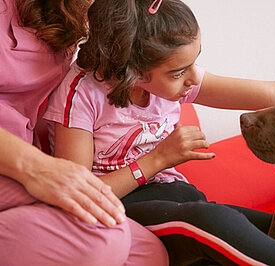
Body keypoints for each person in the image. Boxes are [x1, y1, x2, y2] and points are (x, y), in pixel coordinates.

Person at [43, 0, 275, 265]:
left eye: (195, 62)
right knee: (209, 221)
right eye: (178, 73)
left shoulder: (179, 77)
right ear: (133, 71)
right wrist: (157, 160)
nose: (192, 79)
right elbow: (76, 197)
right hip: (120, 209)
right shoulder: (81, 95)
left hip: (180, 196)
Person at [0, 0, 168, 265]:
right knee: (102, 237)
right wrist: (37, 167)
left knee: (147, 253)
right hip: (14, 162)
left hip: (17, 166)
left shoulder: (66, 21)